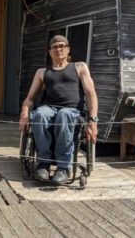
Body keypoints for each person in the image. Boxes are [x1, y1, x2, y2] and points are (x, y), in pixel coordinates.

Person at [19, 35, 99, 185]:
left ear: (68, 49)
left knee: (64, 114)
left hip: (72, 111)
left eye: (62, 46)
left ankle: (63, 168)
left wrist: (93, 120)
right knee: (40, 114)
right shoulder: (42, 72)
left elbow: (91, 94)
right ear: (49, 52)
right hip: (49, 108)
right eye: (55, 47)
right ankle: (43, 163)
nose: (58, 49)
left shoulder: (79, 67)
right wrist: (24, 113)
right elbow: (30, 98)